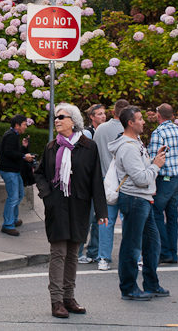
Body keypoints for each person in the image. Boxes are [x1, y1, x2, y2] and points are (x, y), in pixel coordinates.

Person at [35, 103, 107, 318]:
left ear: (73, 121)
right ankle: (56, 301)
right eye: (56, 117)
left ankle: (69, 297)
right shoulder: (51, 147)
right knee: (58, 253)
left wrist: (102, 211)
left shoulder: (89, 146)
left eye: (61, 117)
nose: (57, 120)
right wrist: (47, 195)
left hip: (80, 206)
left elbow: (96, 179)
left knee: (74, 253)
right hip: (57, 207)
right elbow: (39, 174)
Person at [109, 106, 168, 301]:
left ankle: (151, 284)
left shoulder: (136, 142)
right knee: (132, 245)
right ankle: (128, 288)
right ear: (130, 123)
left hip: (143, 199)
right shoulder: (128, 147)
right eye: (140, 119)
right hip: (135, 199)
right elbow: (141, 178)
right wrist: (156, 166)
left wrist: (153, 160)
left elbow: (142, 170)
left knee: (152, 243)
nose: (144, 122)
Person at [147, 104, 178, 264]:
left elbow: (153, 157)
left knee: (156, 213)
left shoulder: (158, 132)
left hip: (165, 179)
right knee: (172, 216)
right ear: (172, 115)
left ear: (159, 115)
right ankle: (173, 253)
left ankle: (164, 251)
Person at [91, 99, 129, 271]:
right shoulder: (129, 130)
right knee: (129, 221)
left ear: (114, 112)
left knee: (106, 221)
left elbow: (94, 154)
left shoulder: (101, 129)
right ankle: (131, 257)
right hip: (126, 183)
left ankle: (103, 257)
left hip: (106, 182)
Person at [78, 103, 107, 264]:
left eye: (104, 113)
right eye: (99, 114)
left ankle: (94, 251)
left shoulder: (103, 132)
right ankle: (79, 250)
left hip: (100, 180)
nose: (103, 116)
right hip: (89, 181)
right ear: (92, 117)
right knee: (87, 217)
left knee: (98, 217)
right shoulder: (88, 134)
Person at [0, 115, 35, 236]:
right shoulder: (10, 135)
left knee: (19, 194)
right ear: (17, 125)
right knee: (13, 197)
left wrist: (23, 148)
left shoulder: (14, 135)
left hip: (14, 171)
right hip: (9, 171)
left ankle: (13, 219)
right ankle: (8, 224)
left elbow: (13, 151)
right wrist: (24, 156)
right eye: (24, 124)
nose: (26, 126)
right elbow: (9, 152)